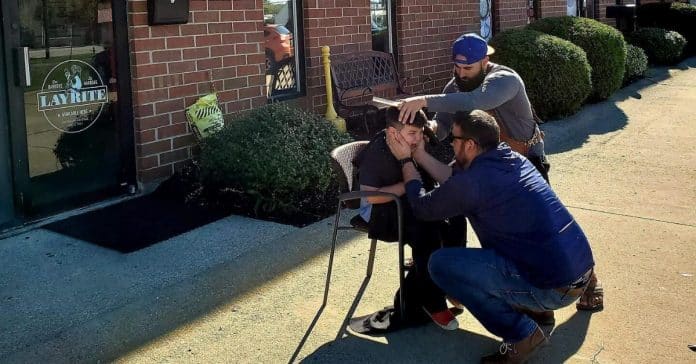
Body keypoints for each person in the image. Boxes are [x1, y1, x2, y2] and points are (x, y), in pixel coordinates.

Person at [399, 32, 604, 312]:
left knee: (542, 225)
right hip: (481, 165)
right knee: (467, 213)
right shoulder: (455, 86)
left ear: (485, 61)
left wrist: (423, 100)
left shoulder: (505, 80)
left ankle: (588, 280)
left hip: (521, 161)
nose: (461, 73)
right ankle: (460, 280)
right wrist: (429, 130)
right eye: (456, 67)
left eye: (467, 68)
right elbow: (444, 121)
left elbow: (476, 102)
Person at [386, 110, 595, 363]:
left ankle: (522, 335)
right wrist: (418, 154)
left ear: (470, 144)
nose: (450, 143)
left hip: (553, 287)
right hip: (578, 273)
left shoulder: (474, 183)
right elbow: (454, 180)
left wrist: (405, 162)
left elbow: (422, 207)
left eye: (454, 138)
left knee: (441, 265)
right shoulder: (511, 159)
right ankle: (536, 313)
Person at [351, 106, 466, 333]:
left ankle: (449, 281)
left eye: (420, 132)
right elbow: (371, 196)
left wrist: (419, 156)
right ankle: (433, 302)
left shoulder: (413, 144)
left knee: (455, 217)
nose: (418, 138)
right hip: (379, 210)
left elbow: (437, 179)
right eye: (412, 133)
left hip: (406, 203)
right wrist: (408, 184)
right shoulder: (378, 152)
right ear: (393, 133)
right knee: (427, 228)